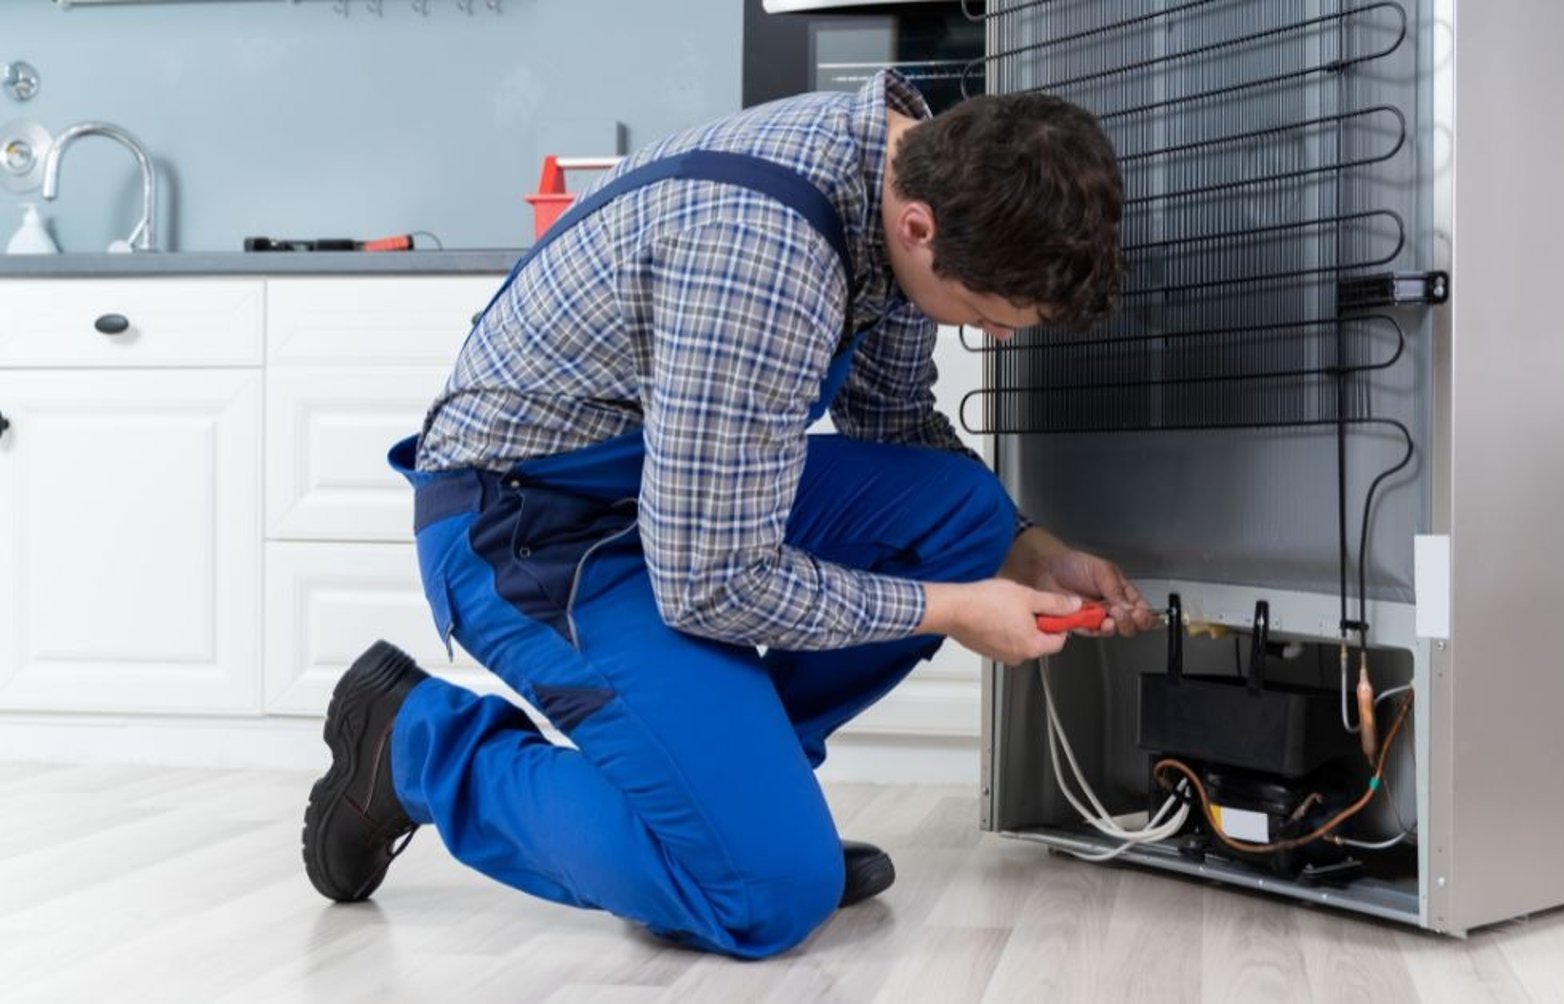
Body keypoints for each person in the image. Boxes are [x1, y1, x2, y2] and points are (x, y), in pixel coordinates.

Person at [300, 69, 1152, 959]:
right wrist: (958, 610)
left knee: (962, 522)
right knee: (767, 895)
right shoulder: (765, 261)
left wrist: (1024, 549)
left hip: (671, 503)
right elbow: (712, 584)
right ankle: (418, 749)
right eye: (986, 318)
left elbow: (894, 425)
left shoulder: (910, 166)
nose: (999, 338)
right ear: (919, 230)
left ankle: (730, 801)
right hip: (531, 526)